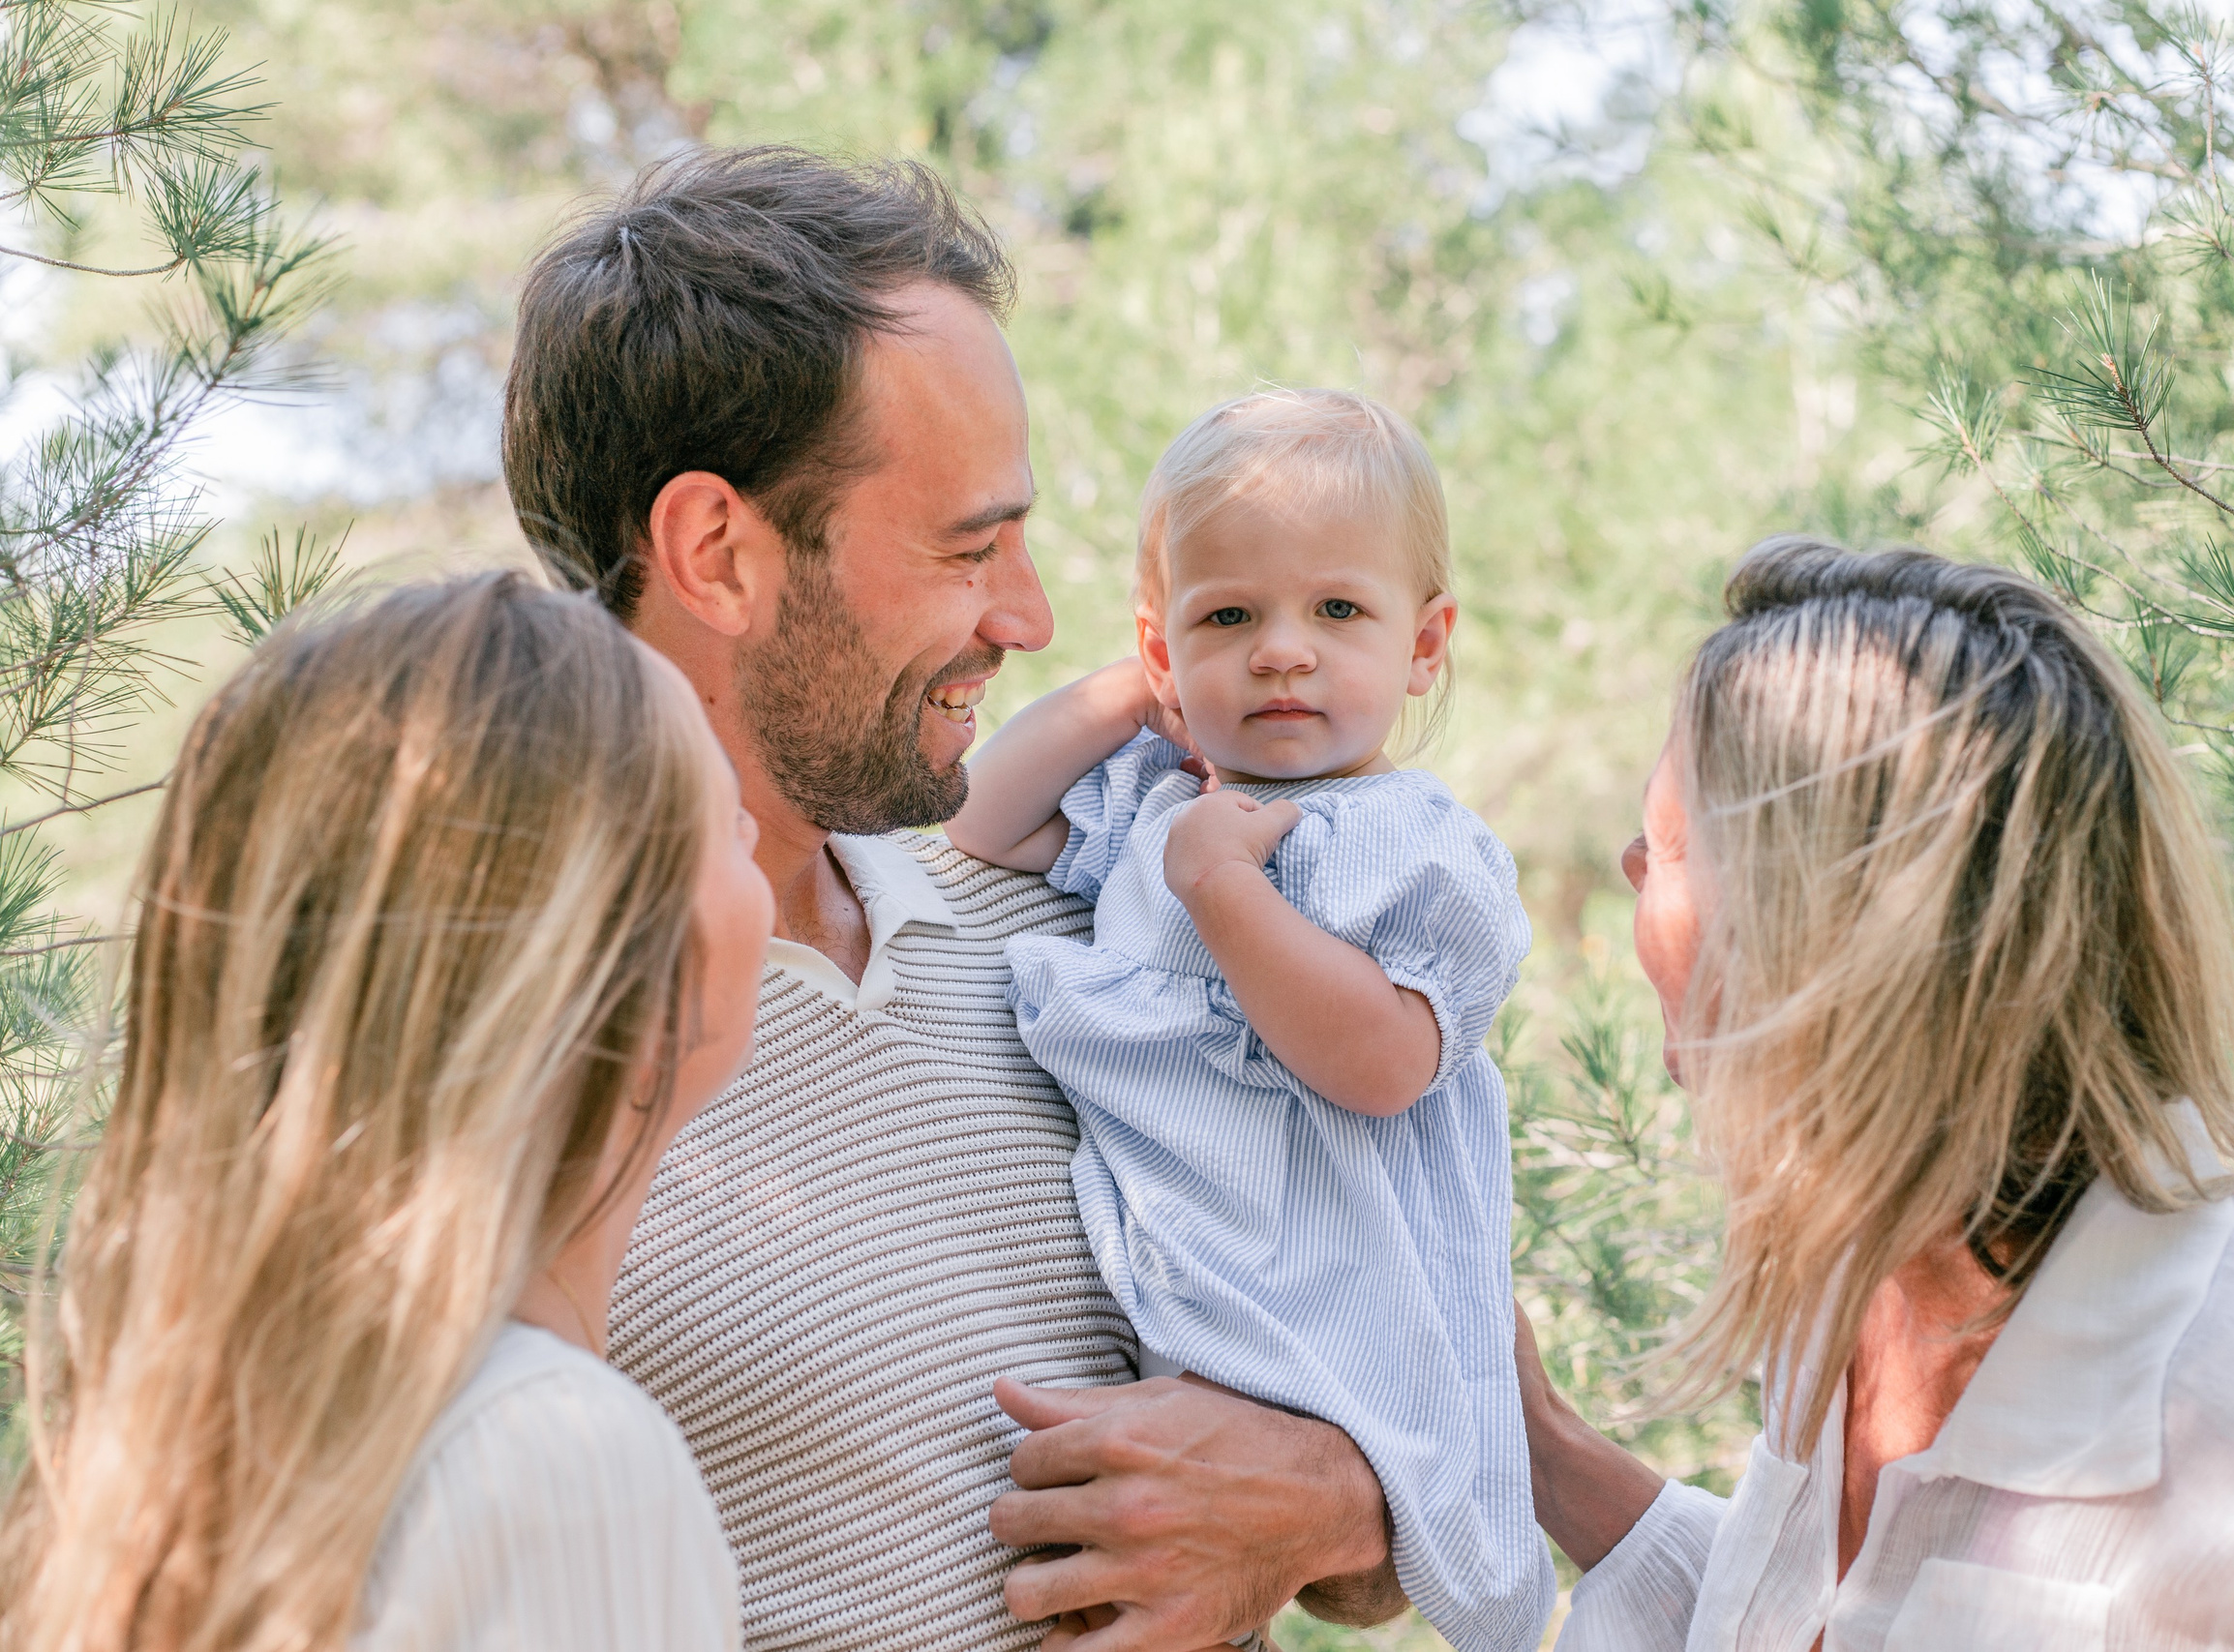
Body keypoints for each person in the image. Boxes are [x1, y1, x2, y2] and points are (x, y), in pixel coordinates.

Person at [503, 146, 1402, 1652]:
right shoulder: (467, 1044)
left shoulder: (1095, 941)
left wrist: (1329, 1493)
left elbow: (1419, 1413)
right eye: (967, 545)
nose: (1030, 616)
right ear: (716, 552)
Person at [1522, 539, 2234, 1650]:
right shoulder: (1859, 1279)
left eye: (1676, 846)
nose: (1634, 879)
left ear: (1840, 940)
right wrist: (1541, 1444)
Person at [0, 576, 774, 1652]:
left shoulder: (156, 1466)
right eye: (718, 810)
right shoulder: (554, 1462)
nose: (754, 828)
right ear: (621, 973)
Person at [949, 388, 1553, 1651]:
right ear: (1165, 647)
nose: (1282, 649)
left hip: (1315, 1284)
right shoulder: (1156, 801)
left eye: (1338, 609)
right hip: (1165, 1282)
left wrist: (1226, 892)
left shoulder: (1423, 848)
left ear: (1425, 643)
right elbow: (977, 821)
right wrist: (1124, 699)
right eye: (1227, 616)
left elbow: (1386, 1061)